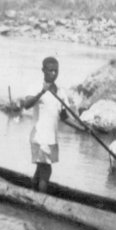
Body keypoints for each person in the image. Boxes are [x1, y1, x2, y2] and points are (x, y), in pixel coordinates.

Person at [23, 56, 70, 193]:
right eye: (50, 71)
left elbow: (65, 118)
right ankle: (41, 200)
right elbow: (26, 105)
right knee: (46, 170)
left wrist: (84, 128)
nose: (53, 74)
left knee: (40, 169)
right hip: (40, 137)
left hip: (52, 139)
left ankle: (32, 195)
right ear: (43, 70)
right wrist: (42, 91)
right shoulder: (36, 87)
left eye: (56, 71)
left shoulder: (60, 92)